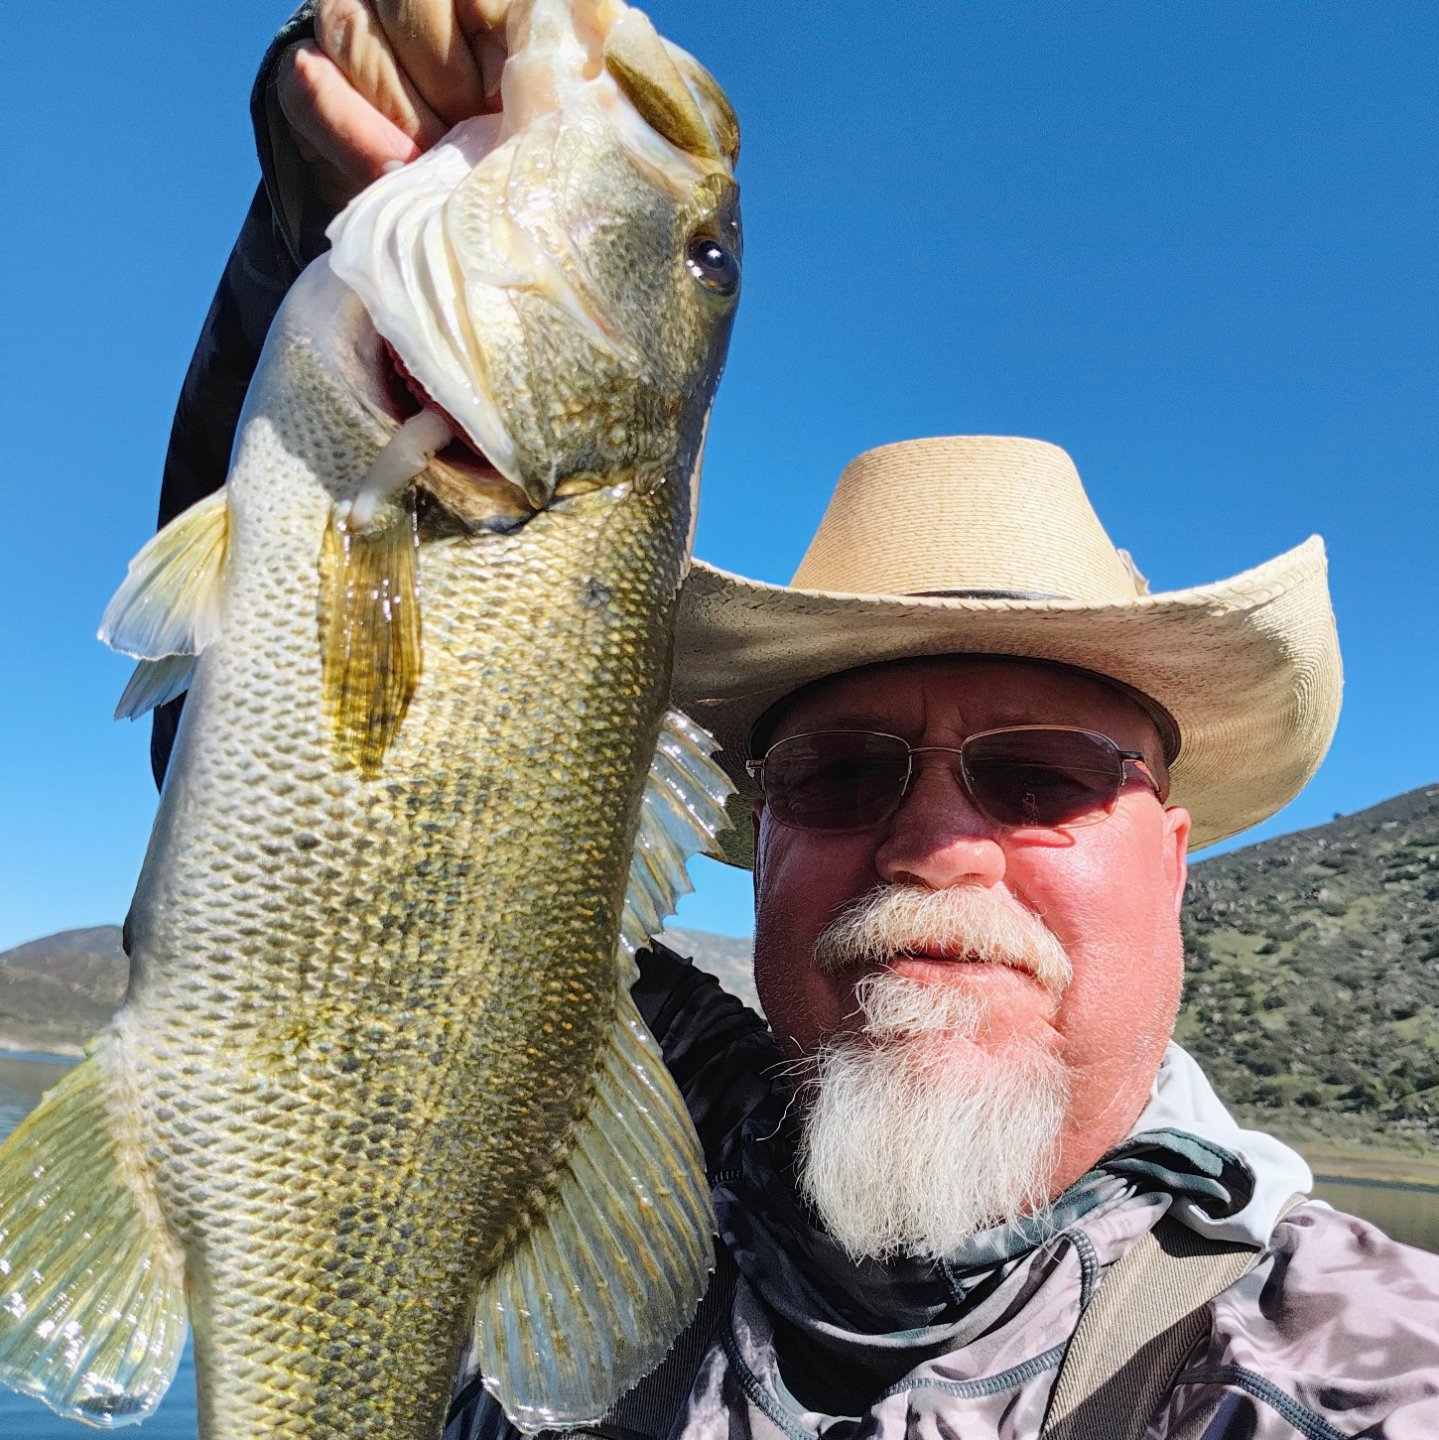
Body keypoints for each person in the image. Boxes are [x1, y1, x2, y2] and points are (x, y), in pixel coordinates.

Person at [156, 5, 1439, 1437]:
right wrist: (317, 228)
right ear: (759, 838)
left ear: (1174, 862)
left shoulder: (1349, 1372)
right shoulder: (598, 1097)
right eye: (840, 775)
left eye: (1041, 777)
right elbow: (312, 829)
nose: (935, 842)